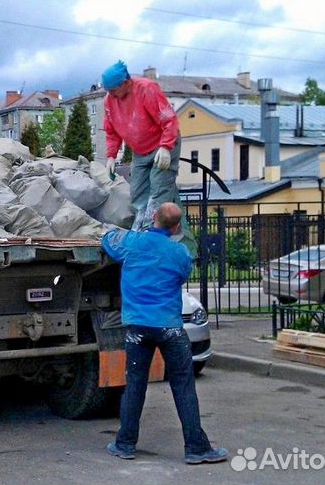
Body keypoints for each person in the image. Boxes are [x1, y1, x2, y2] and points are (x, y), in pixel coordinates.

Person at [102, 202, 227, 464]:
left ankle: (124, 444)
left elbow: (108, 242)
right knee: (183, 386)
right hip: (170, 328)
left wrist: (110, 233)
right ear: (177, 226)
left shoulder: (133, 242)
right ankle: (196, 448)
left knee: (135, 385)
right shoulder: (179, 252)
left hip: (138, 328)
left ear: (153, 219)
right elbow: (182, 276)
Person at [101, 60, 196, 256]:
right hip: (140, 150)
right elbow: (111, 130)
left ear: (125, 82)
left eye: (113, 90)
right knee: (138, 193)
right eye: (108, 91)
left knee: (158, 192)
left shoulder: (147, 89)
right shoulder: (110, 101)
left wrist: (166, 147)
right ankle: (143, 229)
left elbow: (169, 119)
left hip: (162, 144)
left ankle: (147, 237)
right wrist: (111, 156)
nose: (111, 95)